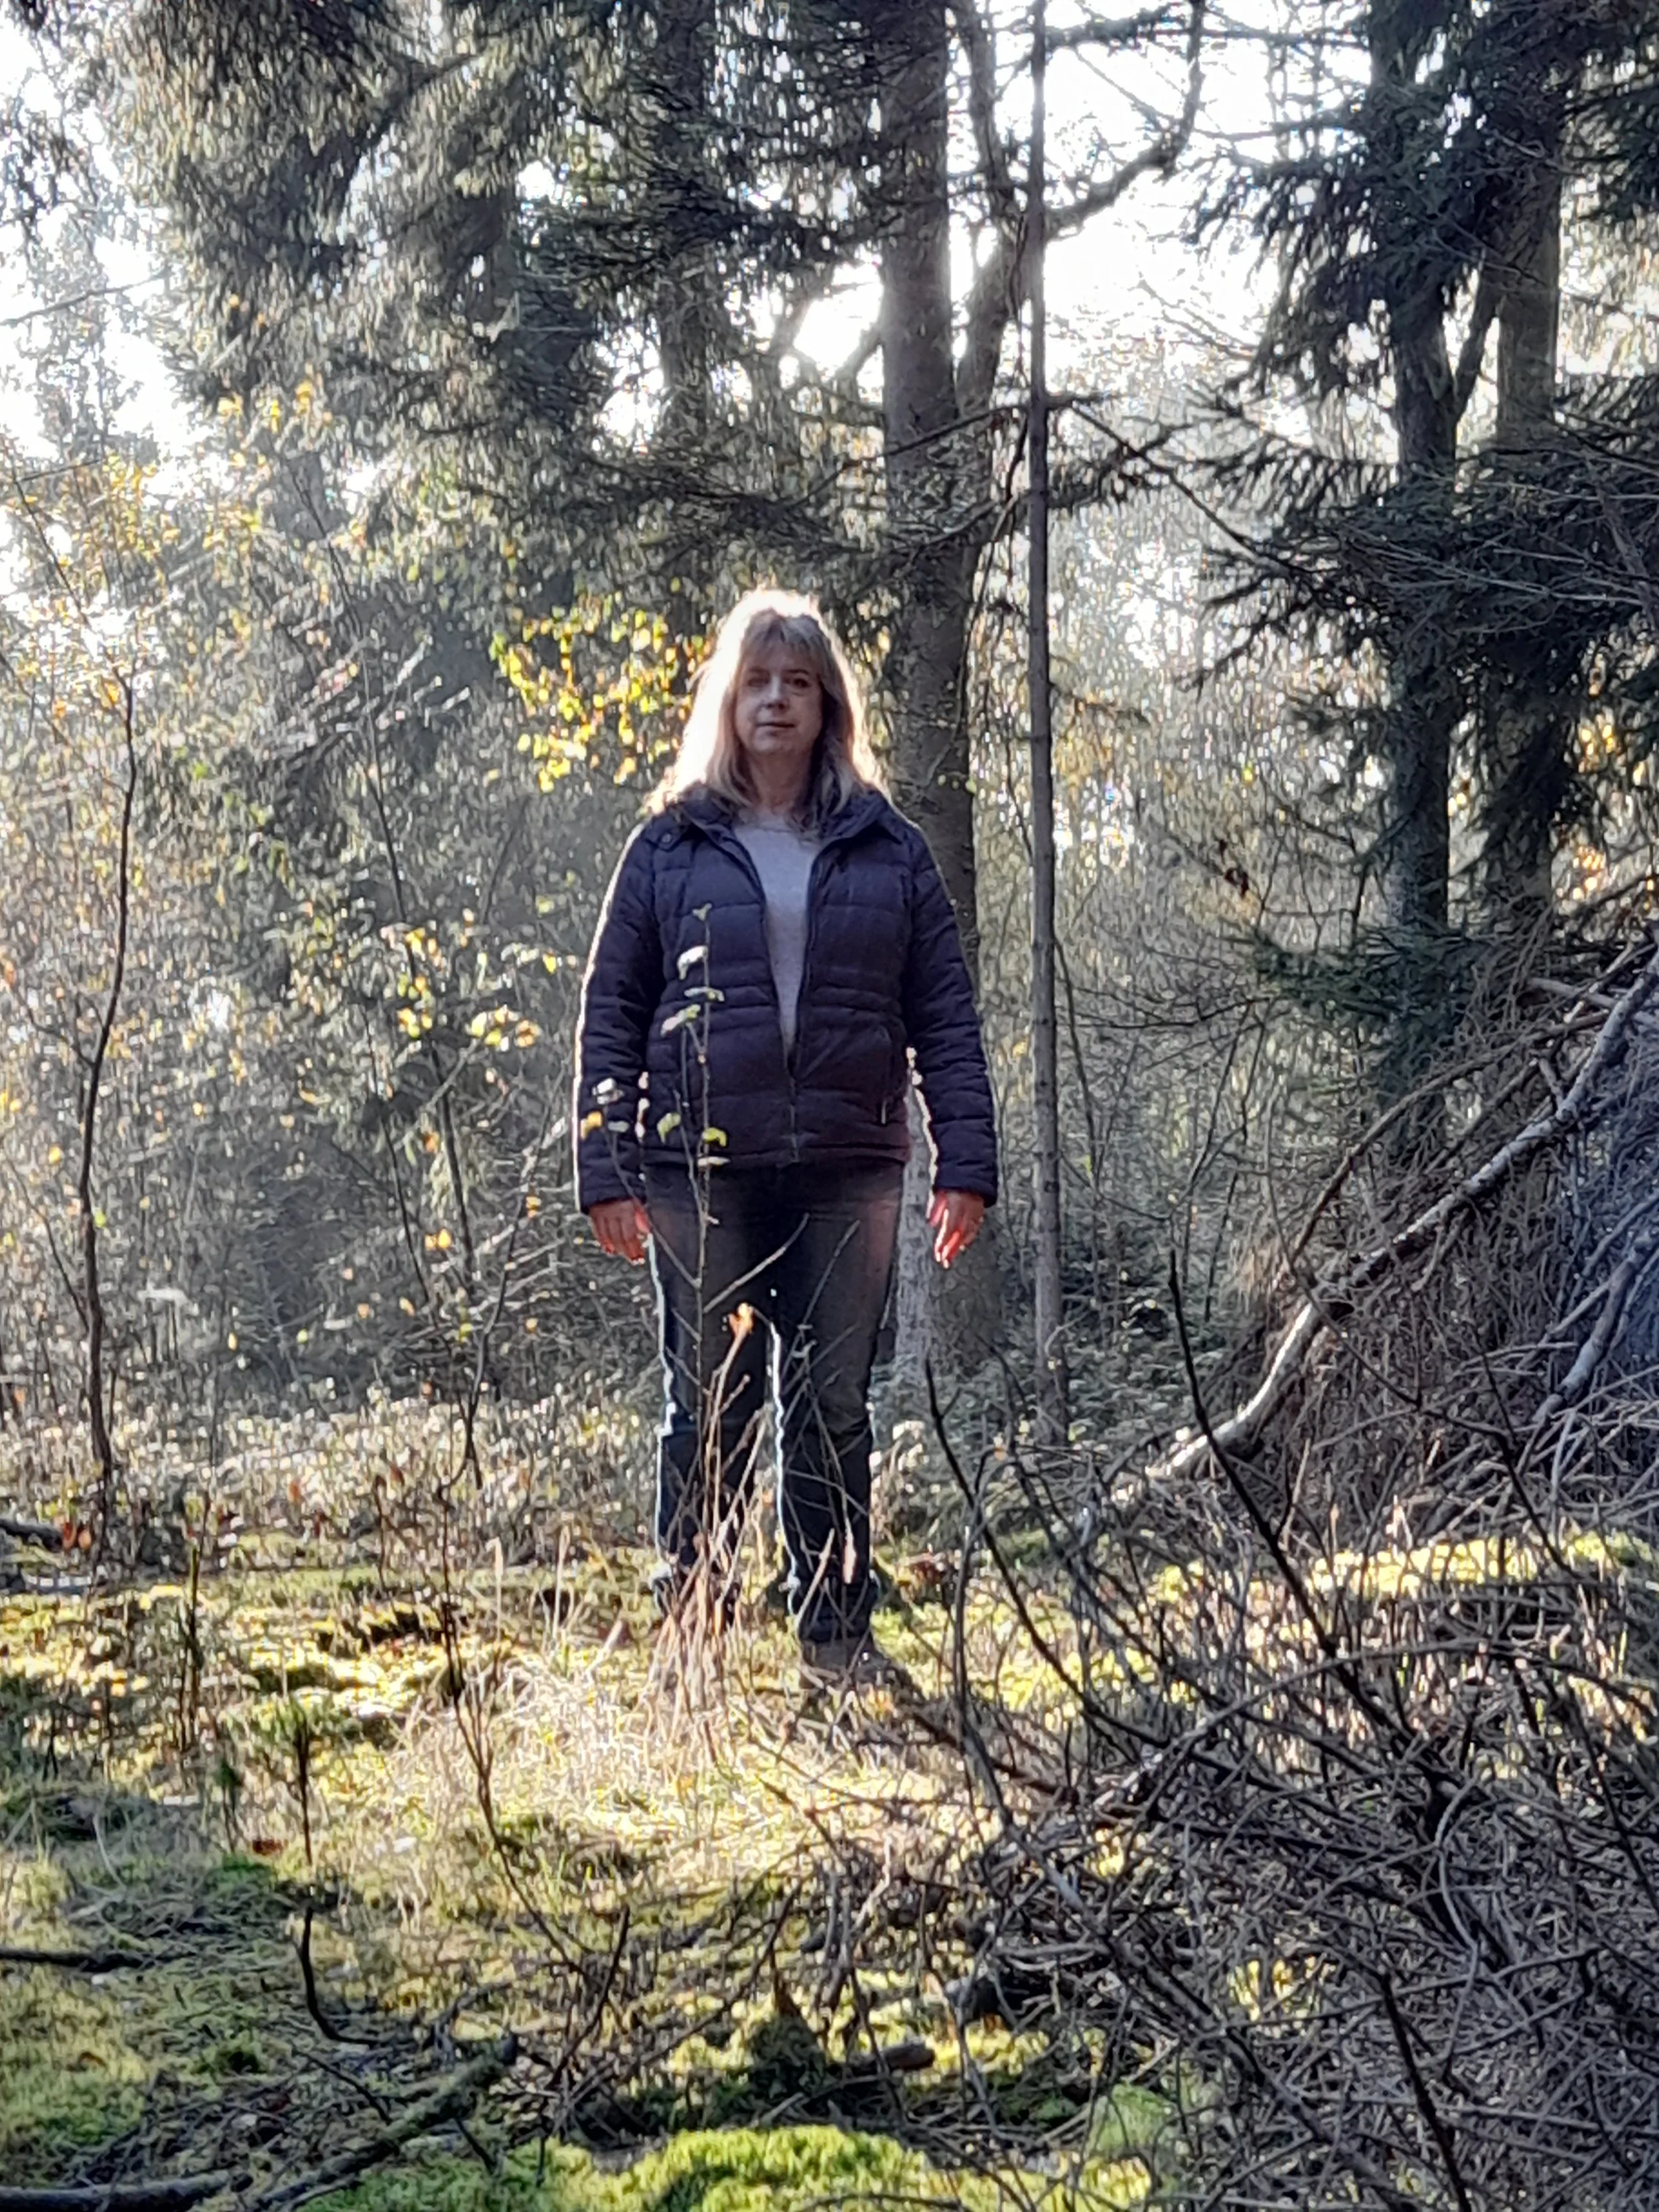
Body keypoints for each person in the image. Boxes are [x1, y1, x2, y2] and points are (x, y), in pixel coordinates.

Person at [573, 587, 997, 1690]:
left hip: (849, 1173)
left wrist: (966, 1163)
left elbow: (946, 1016)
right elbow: (612, 1011)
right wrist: (606, 1167)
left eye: (798, 683)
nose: (776, 700)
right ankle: (692, 1642)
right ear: (728, 698)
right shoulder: (669, 845)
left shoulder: (889, 848)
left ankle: (836, 1640)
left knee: (832, 1408)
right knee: (707, 1407)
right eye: (757, 681)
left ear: (827, 705)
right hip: (700, 1173)